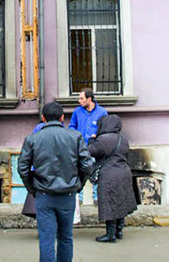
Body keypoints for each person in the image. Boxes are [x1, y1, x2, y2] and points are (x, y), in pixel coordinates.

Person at [18, 102, 94, 262]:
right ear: (62, 118)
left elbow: (22, 168)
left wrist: (33, 189)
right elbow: (87, 166)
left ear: (43, 118)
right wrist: (78, 185)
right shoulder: (75, 137)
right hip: (67, 194)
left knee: (46, 239)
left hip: (44, 194)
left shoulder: (32, 139)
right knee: (66, 237)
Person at [87, 115, 137, 243]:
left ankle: (110, 234)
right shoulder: (123, 139)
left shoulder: (103, 139)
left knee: (109, 202)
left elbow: (91, 152)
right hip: (124, 172)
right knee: (121, 201)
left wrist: (91, 140)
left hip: (109, 174)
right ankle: (119, 231)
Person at [69, 88, 108, 205]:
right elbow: (71, 126)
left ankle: (96, 200)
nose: (79, 101)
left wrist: (97, 135)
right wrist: (76, 137)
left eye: (81, 98)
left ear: (89, 99)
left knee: (96, 173)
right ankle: (78, 201)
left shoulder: (102, 112)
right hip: (80, 148)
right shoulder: (77, 112)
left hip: (95, 149)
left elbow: (106, 129)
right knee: (79, 173)